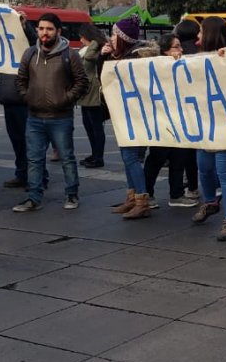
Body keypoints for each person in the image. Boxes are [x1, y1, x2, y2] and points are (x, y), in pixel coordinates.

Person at [11, 13, 89, 212]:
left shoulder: (69, 55)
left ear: (58, 31)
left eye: (49, 29)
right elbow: (20, 80)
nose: (44, 33)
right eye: (41, 28)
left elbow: (82, 82)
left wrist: (65, 99)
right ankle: (33, 198)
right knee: (34, 160)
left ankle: (72, 194)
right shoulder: (29, 54)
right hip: (35, 117)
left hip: (60, 118)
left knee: (67, 158)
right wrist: (27, 97)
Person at [188, 17, 226, 240]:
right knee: (204, 167)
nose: (198, 36)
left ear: (210, 33)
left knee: (225, 172)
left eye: (201, 32)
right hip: (206, 122)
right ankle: (211, 202)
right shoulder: (199, 57)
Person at [101, 17, 159, 219]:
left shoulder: (135, 59)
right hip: (127, 114)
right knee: (129, 159)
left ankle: (142, 200)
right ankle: (133, 197)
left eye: (115, 35)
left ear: (123, 38)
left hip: (136, 116)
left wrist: (111, 60)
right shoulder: (126, 57)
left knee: (131, 157)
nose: (111, 39)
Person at [143, 35, 199, 208]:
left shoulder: (183, 66)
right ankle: (146, 194)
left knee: (179, 157)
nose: (180, 50)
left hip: (180, 119)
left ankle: (176, 194)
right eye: (176, 47)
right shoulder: (155, 67)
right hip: (162, 120)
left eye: (180, 46)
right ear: (165, 51)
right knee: (157, 158)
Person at [0, 13, 39, 187]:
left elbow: (36, 43)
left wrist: (24, 26)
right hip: (9, 100)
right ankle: (22, 173)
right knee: (17, 142)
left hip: (23, 101)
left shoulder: (27, 47)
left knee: (28, 141)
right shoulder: (3, 48)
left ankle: (37, 176)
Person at [173, 20, 201, 199]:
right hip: (201, 107)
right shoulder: (202, 50)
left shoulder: (176, 52)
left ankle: (191, 186)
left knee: (187, 152)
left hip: (182, 109)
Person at [77, 22, 108, 169]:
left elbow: (89, 58)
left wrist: (95, 41)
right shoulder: (86, 49)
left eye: (82, 37)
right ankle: (94, 153)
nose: (81, 41)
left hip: (94, 92)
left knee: (96, 126)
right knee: (88, 125)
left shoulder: (96, 48)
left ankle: (98, 157)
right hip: (85, 92)